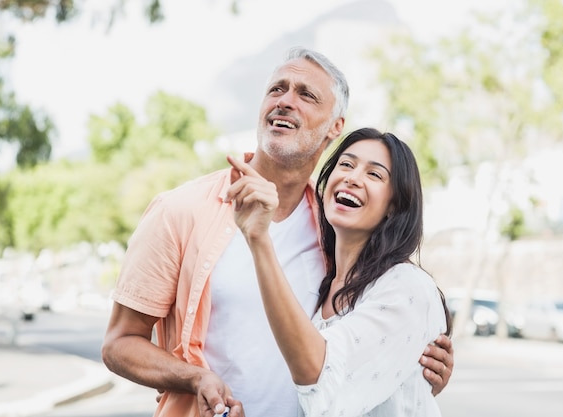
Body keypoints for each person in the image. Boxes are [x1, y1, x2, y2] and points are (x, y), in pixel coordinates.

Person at [101, 47, 454, 417]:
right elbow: (120, 343)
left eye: (306, 94)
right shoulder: (179, 210)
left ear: (336, 127)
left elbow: (371, 341)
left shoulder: (337, 226)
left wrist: (415, 365)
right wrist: (195, 378)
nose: (286, 101)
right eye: (277, 89)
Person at [227, 127, 453, 417]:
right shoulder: (322, 285)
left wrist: (259, 239)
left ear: (394, 205)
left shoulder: (407, 287)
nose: (352, 177)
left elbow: (320, 377)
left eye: (374, 174)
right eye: (346, 164)